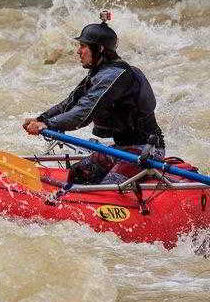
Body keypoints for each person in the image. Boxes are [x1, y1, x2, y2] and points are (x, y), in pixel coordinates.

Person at [22, 12, 165, 184]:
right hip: (121, 148)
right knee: (77, 174)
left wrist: (48, 124)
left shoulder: (116, 76)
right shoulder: (100, 73)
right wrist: (41, 119)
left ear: (100, 49)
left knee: (107, 188)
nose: (78, 51)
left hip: (146, 150)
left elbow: (83, 113)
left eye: (83, 46)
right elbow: (69, 103)